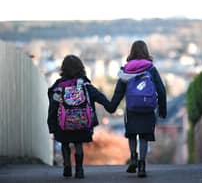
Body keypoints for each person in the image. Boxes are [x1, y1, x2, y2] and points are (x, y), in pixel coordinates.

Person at [47, 55, 112, 179]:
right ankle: (79, 169)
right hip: (82, 123)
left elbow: (53, 107)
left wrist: (52, 125)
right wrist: (110, 106)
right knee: (78, 144)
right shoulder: (85, 85)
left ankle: (67, 167)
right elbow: (99, 96)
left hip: (63, 124)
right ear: (81, 68)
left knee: (65, 143)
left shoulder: (58, 86)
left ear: (63, 69)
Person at [109, 40, 167, 177]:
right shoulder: (151, 69)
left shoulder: (126, 70)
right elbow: (161, 90)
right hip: (148, 108)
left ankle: (133, 157)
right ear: (146, 51)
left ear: (132, 52)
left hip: (131, 109)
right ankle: (142, 165)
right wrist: (162, 110)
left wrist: (112, 107)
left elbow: (119, 92)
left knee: (132, 134)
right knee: (144, 137)